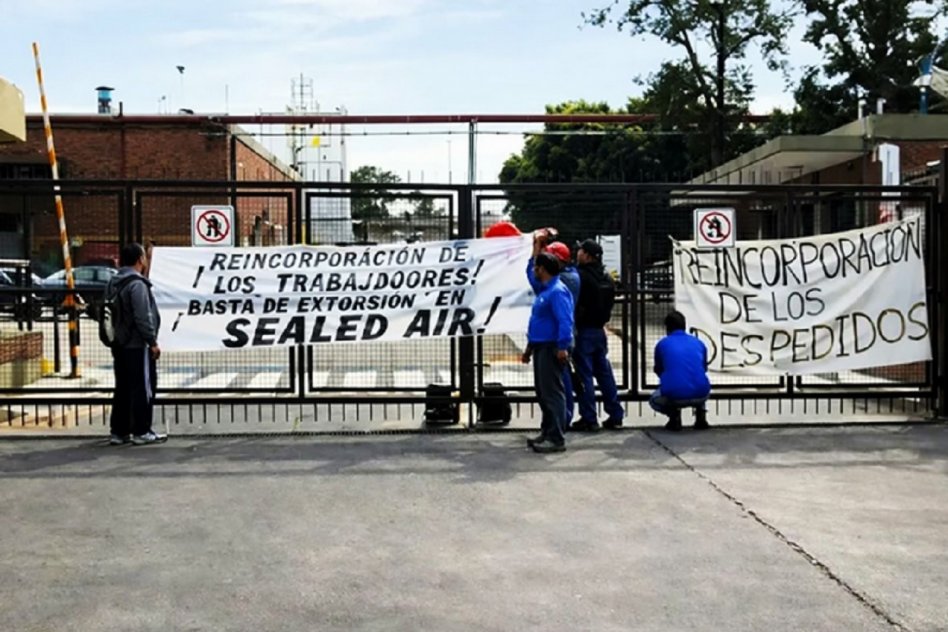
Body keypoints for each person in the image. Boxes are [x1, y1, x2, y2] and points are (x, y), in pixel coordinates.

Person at [106, 242, 166, 445]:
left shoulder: (114, 282)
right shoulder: (137, 285)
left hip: (119, 343)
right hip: (137, 344)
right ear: (140, 260)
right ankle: (142, 430)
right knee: (142, 387)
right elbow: (143, 316)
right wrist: (152, 341)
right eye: (145, 257)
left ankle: (119, 431)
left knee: (122, 386)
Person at [522, 252, 574, 453]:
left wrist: (562, 346)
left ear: (542, 269)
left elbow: (565, 321)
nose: (534, 270)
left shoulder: (557, 292)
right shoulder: (546, 291)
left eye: (536, 266)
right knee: (544, 392)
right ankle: (548, 431)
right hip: (541, 346)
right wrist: (529, 348)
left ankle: (556, 437)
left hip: (551, 347)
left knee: (552, 393)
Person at [570, 239, 624, 431]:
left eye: (581, 251)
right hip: (600, 330)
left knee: (584, 375)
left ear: (588, 255)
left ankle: (589, 417)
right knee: (604, 373)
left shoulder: (580, 276)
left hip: (584, 331)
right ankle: (616, 414)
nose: (578, 253)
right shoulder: (607, 278)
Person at [652, 310, 711, 431]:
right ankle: (701, 415)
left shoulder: (662, 344)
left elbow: (659, 369)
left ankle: (674, 416)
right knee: (697, 379)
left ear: (667, 328)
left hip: (675, 395)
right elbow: (703, 368)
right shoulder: (699, 342)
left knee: (654, 400)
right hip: (702, 394)